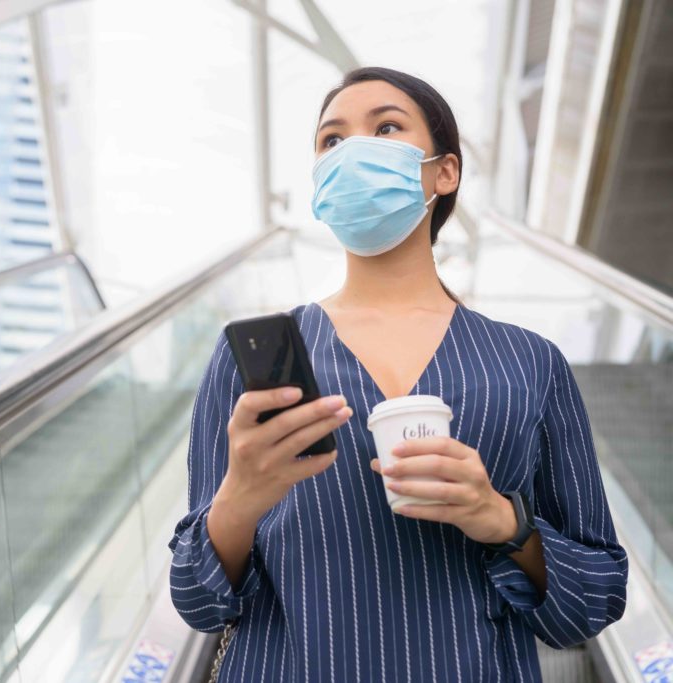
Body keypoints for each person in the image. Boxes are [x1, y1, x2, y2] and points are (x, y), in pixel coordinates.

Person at [167, 66, 628, 682]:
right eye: (332, 140)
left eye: (386, 127)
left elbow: (595, 599)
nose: (354, 150)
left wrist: (503, 522)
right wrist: (239, 501)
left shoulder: (530, 364)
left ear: (446, 171)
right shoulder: (257, 361)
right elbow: (197, 601)